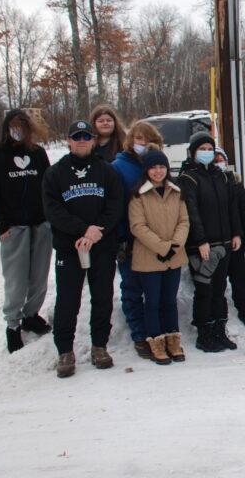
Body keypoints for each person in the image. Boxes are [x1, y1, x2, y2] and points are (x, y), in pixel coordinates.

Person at [42, 120, 124, 378]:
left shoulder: (105, 170)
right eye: (76, 137)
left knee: (102, 298)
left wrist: (97, 229)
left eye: (86, 137)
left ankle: (100, 346)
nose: (81, 141)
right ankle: (65, 351)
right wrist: (82, 230)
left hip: (102, 245)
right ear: (68, 141)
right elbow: (53, 210)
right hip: (70, 247)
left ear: (92, 140)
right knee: (68, 300)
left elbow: (115, 203)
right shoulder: (55, 173)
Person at [0, 109, 53, 353]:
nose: (18, 131)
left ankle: (31, 315)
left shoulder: (37, 153)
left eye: (22, 126)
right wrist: (0, 225)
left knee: (39, 276)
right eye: (13, 126)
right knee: (16, 280)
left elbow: (49, 186)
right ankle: (12, 325)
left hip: (41, 225)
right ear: (6, 128)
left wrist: (50, 218)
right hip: (13, 228)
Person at [178, 131, 242, 353]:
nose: (206, 153)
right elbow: (191, 212)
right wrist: (201, 240)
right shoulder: (188, 178)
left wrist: (236, 233)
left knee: (220, 288)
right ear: (193, 152)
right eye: (201, 150)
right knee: (205, 289)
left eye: (209, 150)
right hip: (202, 246)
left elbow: (231, 207)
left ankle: (219, 331)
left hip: (224, 242)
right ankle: (204, 334)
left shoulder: (221, 176)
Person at [128, 149, 189, 365]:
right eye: (153, 167)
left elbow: (184, 221)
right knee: (152, 302)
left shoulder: (176, 191)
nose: (158, 171)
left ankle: (173, 341)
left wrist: (174, 245)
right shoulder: (139, 195)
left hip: (174, 256)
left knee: (169, 301)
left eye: (161, 167)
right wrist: (163, 247)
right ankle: (156, 342)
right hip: (149, 257)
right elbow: (138, 226)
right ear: (146, 170)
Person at [111, 120, 165, 359]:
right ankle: (139, 334)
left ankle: (159, 330)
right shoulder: (119, 167)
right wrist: (120, 236)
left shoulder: (158, 164)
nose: (144, 144)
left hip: (157, 238)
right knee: (132, 288)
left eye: (149, 139)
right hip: (130, 239)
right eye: (139, 139)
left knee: (156, 289)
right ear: (131, 141)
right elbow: (114, 205)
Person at [214, 147, 245, 328]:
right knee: (217, 283)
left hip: (236, 240)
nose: (218, 163)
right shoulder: (208, 185)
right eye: (214, 160)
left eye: (220, 160)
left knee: (241, 279)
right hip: (216, 241)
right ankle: (220, 316)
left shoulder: (235, 184)